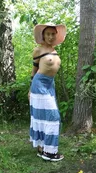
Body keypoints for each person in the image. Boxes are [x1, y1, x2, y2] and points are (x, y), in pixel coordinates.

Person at [28, 23, 66, 161]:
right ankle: (49, 152)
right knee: (53, 116)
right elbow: (34, 71)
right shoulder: (38, 50)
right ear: (43, 35)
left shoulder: (55, 51)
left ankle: (42, 148)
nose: (50, 37)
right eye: (48, 34)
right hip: (39, 84)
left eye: (53, 34)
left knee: (44, 116)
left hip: (50, 85)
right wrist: (29, 89)